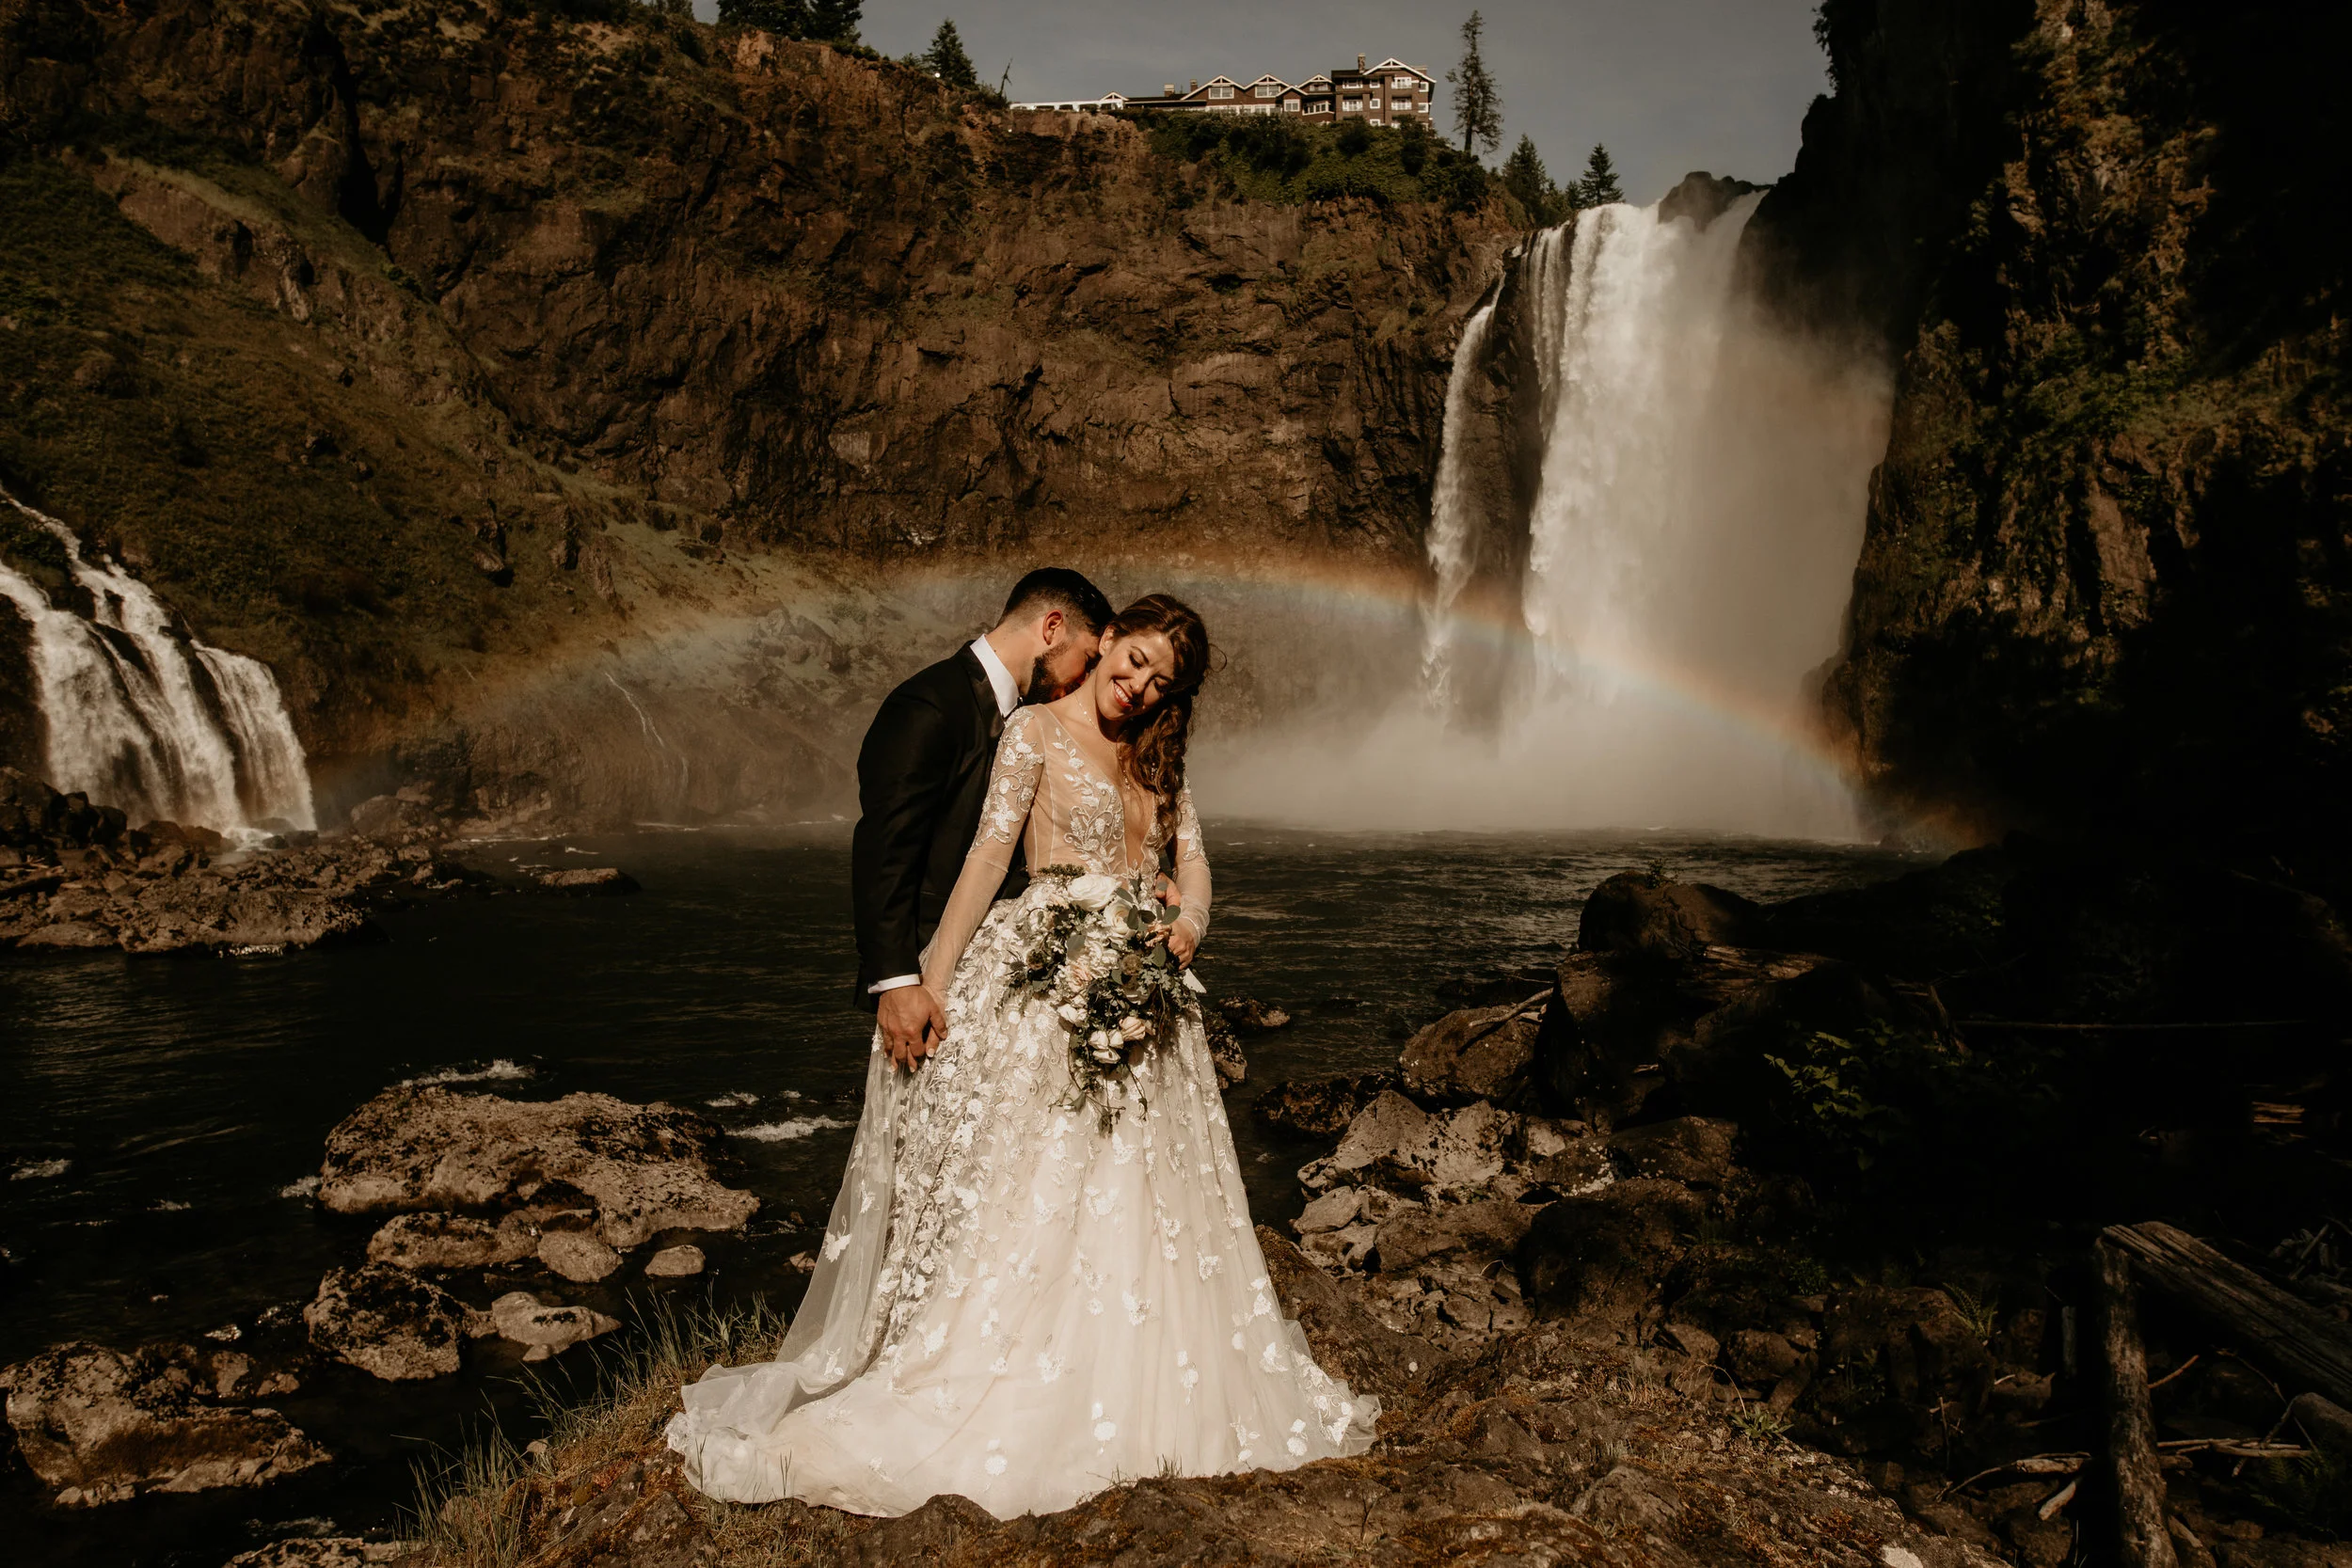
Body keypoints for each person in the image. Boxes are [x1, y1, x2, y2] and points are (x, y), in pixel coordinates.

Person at [667, 595, 1378, 1517]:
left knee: (1145, 1194)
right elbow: (982, 856)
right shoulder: (1034, 729)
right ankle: (1008, 1367)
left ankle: (1138, 1374)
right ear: (1108, 638)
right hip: (1044, 970)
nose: (1136, 688)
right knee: (1042, 1184)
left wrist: (1186, 923)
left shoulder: (1159, 755)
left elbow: (1193, 861)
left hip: (1142, 986)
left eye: (1160, 682)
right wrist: (924, 981)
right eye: (1131, 662)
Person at [851, 568, 1113, 1069]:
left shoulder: (1031, 719)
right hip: (925, 982)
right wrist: (897, 983)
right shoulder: (930, 704)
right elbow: (885, 848)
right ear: (1052, 627)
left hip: (992, 979)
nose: (1085, 679)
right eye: (1088, 659)